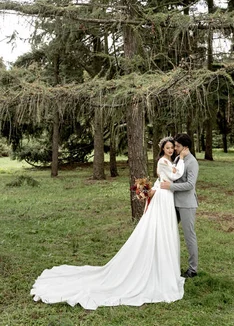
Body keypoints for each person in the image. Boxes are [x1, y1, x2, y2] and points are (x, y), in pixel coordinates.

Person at [30, 137, 186, 310]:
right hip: (163, 197)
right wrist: (183, 160)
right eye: (168, 148)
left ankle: (164, 266)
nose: (171, 150)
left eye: (172, 148)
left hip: (165, 195)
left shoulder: (170, 160)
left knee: (165, 231)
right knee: (160, 229)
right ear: (162, 149)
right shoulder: (163, 161)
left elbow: (171, 177)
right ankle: (157, 266)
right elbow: (175, 175)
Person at [160, 132, 199, 278]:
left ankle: (193, 269)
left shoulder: (192, 162)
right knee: (168, 231)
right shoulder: (177, 158)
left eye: (177, 146)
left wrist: (170, 187)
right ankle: (168, 264)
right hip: (173, 202)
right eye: (174, 146)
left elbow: (190, 185)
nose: (175, 148)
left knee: (189, 236)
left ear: (185, 147)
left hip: (187, 204)